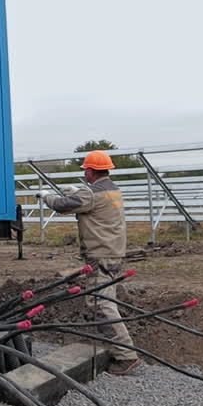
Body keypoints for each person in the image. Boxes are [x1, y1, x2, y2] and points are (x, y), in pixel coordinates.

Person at [37, 150, 140, 375]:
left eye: (86, 171)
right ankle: (118, 350)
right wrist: (77, 193)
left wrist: (46, 196)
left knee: (101, 304)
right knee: (103, 300)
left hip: (100, 255)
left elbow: (63, 206)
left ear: (92, 171)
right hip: (113, 253)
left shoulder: (91, 194)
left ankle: (126, 356)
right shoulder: (113, 190)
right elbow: (89, 203)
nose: (85, 175)